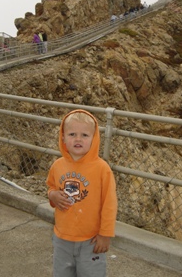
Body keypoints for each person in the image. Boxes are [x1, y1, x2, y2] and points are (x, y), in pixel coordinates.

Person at [46, 109, 117, 277]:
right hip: (62, 239)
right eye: (72, 134)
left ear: (94, 138)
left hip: (91, 241)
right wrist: (52, 196)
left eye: (84, 135)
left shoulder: (102, 169)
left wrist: (105, 234)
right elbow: (51, 187)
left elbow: (110, 203)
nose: (78, 139)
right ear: (63, 137)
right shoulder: (57, 165)